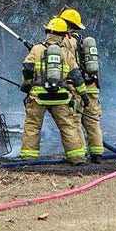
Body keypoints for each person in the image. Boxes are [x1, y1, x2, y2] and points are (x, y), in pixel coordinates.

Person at [19, 17, 87, 164]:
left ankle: (29, 159)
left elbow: (28, 71)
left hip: (38, 97)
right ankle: (77, 157)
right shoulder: (66, 54)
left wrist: (26, 87)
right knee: (68, 126)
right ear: (62, 35)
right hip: (61, 97)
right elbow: (76, 77)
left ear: (47, 32)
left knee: (32, 126)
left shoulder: (36, 50)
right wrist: (84, 95)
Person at [58, 7, 104, 162]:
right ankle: (97, 153)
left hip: (77, 86)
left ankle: (80, 153)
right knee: (92, 120)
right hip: (92, 86)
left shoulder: (65, 41)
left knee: (75, 120)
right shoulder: (83, 41)